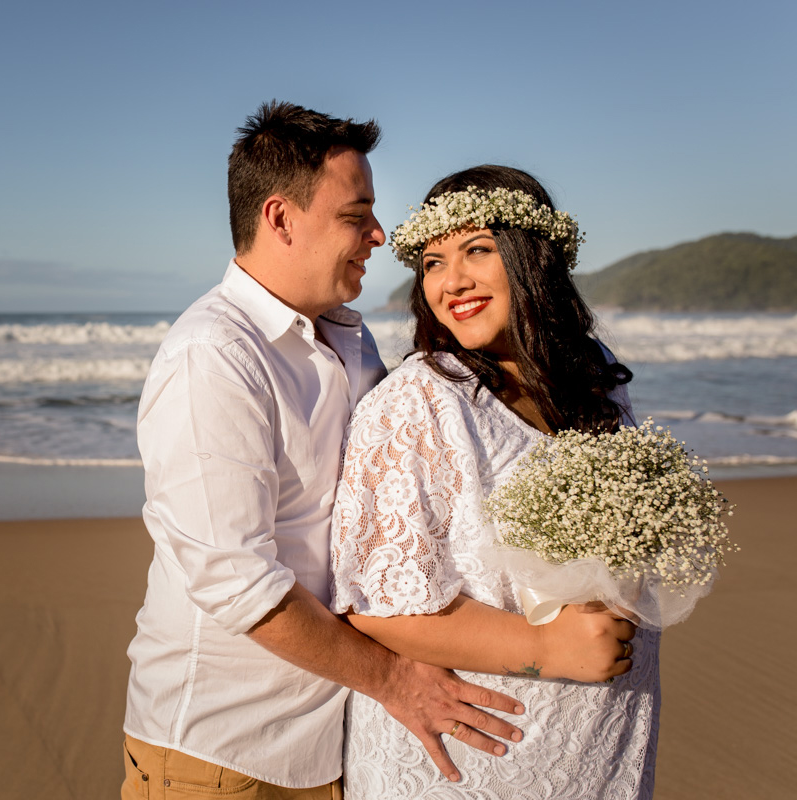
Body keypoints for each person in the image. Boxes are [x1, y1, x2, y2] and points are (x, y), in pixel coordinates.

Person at [122, 106, 527, 799]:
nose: (379, 235)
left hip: (334, 742)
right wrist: (397, 680)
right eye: (356, 215)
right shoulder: (213, 357)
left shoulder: (349, 335)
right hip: (223, 756)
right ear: (280, 218)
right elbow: (235, 581)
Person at [330, 164, 660, 799]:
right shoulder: (417, 402)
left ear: (531, 256)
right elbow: (375, 607)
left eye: (477, 250)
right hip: (472, 754)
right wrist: (551, 648)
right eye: (431, 262)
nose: (451, 282)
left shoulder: (595, 383)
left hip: (603, 740)